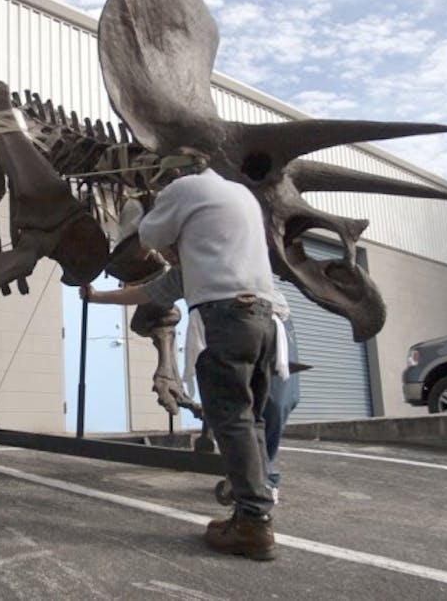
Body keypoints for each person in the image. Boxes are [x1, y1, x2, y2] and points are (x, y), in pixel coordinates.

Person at [137, 153, 278, 560]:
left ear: (174, 171)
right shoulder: (242, 195)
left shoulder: (184, 189)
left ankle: (253, 525)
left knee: (231, 418)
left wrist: (151, 206)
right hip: (263, 316)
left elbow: (147, 235)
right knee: (250, 419)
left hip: (224, 316)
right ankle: (253, 512)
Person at [81, 270, 300, 499]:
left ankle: (255, 480)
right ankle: (253, 486)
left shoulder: (238, 244)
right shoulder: (190, 265)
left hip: (274, 318)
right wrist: (96, 296)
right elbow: (147, 292)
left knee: (279, 401)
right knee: (236, 408)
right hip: (228, 324)